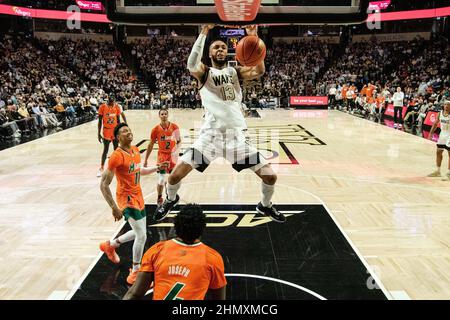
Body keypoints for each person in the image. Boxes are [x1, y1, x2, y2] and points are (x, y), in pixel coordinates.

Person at [154, 25, 286, 223]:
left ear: (228, 51)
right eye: (216, 47)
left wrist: (253, 36)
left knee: (270, 177)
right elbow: (191, 64)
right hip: (210, 139)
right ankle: (171, 199)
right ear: (209, 52)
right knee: (173, 177)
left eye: (223, 47)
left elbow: (259, 70)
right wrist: (204, 32)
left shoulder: (235, 72)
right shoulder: (204, 72)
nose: (220, 50)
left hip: (237, 140)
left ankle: (264, 206)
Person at [99, 123, 169, 285]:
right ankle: (135, 272)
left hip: (138, 195)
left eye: (129, 130)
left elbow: (139, 171)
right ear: (118, 137)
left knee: (140, 232)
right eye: (124, 131)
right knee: (142, 235)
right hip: (126, 198)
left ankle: (111, 245)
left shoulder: (136, 150)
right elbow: (104, 184)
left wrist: (156, 168)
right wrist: (114, 207)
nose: (129, 132)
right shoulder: (116, 156)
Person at [123, 203, 227, 300]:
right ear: (202, 230)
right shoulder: (212, 258)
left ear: (176, 227)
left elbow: (134, 294)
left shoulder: (157, 250)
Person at [143, 108, 181, 206]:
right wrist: (146, 159)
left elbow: (179, 141)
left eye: (165, 114)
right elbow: (150, 145)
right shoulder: (155, 129)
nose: (164, 115)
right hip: (162, 156)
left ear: (168, 115)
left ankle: (171, 196)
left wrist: (176, 151)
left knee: (174, 179)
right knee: (161, 179)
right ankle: (159, 198)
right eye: (162, 114)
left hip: (172, 157)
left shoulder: (174, 127)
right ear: (159, 116)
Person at [97, 95, 127, 177]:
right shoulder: (102, 107)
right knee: (105, 150)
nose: (111, 103)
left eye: (113, 101)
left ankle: (116, 166)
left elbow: (118, 120)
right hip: (106, 131)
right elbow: (100, 121)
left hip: (114, 131)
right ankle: (101, 168)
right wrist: (98, 133)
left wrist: (120, 130)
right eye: (110, 101)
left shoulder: (116, 107)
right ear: (108, 100)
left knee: (116, 149)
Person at [427, 100, 450, 179]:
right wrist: (430, 134)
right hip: (442, 134)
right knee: (438, 152)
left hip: (449, 135)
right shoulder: (440, 113)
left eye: (448, 105)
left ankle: (449, 173)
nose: (446, 106)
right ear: (443, 105)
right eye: (445, 104)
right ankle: (438, 171)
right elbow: (435, 123)